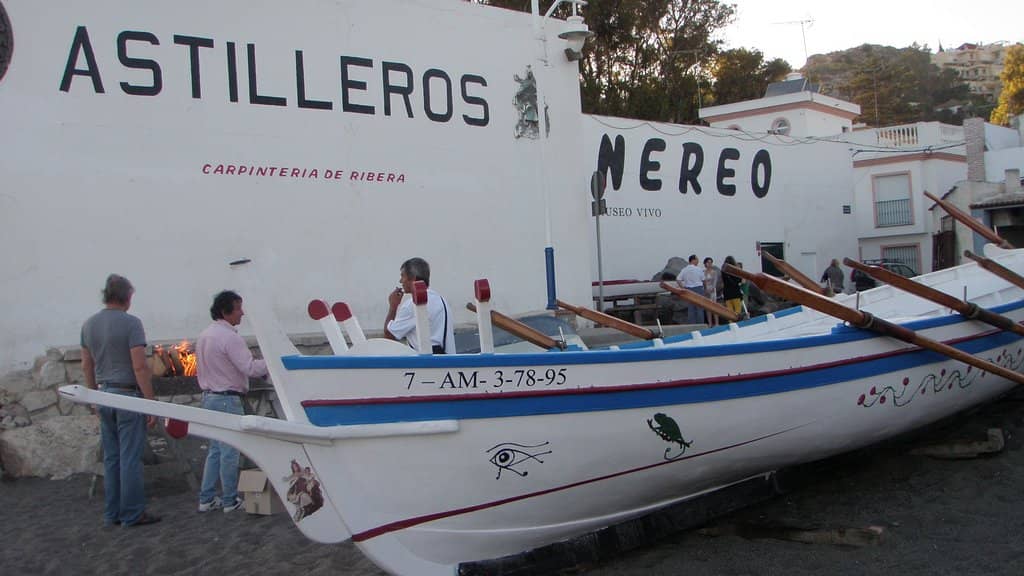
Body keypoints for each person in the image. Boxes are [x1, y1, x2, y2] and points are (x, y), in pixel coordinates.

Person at [80, 274, 161, 527]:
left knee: (112, 458)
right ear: (126, 297)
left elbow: (86, 365)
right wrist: (151, 403)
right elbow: (139, 366)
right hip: (127, 395)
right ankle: (132, 513)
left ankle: (112, 512)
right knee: (130, 458)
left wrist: (92, 396)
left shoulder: (88, 325)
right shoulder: (131, 323)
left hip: (104, 394)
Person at [196, 290, 268, 513]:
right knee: (230, 450)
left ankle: (207, 498)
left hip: (209, 396)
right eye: (238, 308)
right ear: (226, 311)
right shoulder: (230, 338)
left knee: (215, 450)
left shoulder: (205, 335)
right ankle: (229, 499)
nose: (242, 313)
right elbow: (249, 368)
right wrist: (271, 361)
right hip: (227, 398)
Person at [385, 257, 456, 354]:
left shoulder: (411, 305)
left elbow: (389, 335)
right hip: (448, 359)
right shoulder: (441, 300)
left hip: (425, 361)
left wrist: (393, 306)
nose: (400, 281)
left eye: (403, 276)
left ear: (413, 278)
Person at [676, 254, 705, 325]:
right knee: (699, 308)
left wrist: (683, 288)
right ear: (693, 260)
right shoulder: (698, 269)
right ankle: (700, 324)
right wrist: (705, 288)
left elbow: (678, 279)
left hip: (688, 289)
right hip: (698, 288)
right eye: (697, 259)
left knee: (691, 308)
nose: (698, 261)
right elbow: (704, 280)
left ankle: (692, 325)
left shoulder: (685, 269)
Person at [702, 257, 722, 327]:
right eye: (708, 262)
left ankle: (716, 323)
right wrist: (705, 290)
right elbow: (702, 282)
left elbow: (715, 282)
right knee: (708, 307)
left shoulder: (714, 272)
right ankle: (710, 323)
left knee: (714, 306)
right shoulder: (703, 272)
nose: (709, 264)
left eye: (711, 262)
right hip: (706, 290)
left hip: (712, 290)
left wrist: (712, 288)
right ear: (705, 264)